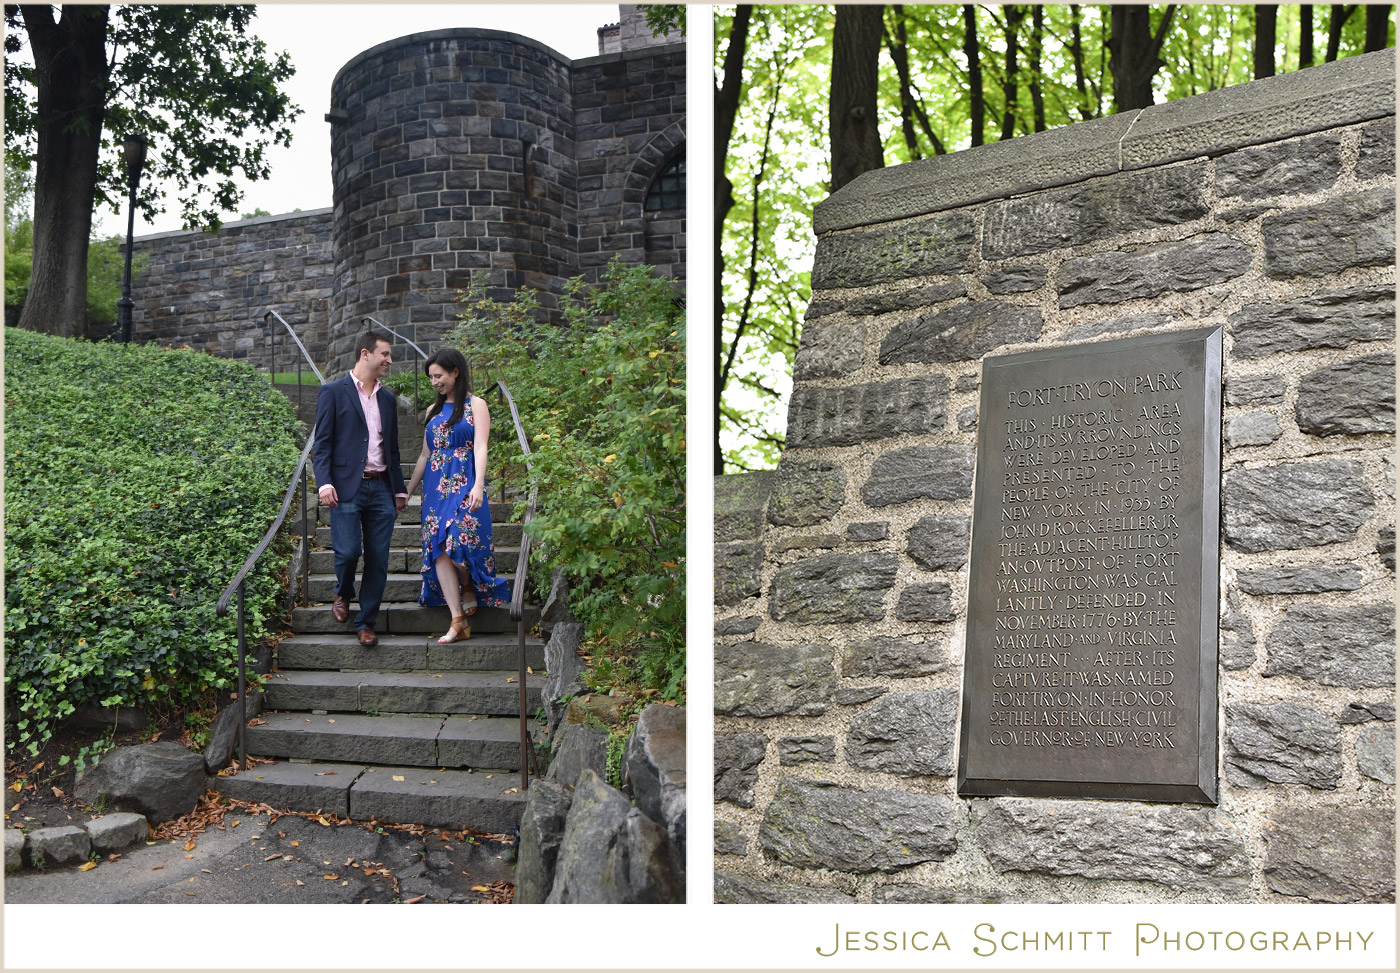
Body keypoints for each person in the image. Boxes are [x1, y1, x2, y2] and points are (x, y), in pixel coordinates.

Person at [404, 347, 511, 643]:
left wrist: (478, 485)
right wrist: (407, 492)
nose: (434, 382)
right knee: (438, 548)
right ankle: (457, 620)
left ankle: (467, 583)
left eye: (438, 375)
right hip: (436, 489)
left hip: (465, 480)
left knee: (459, 536)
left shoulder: (476, 404)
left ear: (455, 372)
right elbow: (426, 456)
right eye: (430, 377)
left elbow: (480, 446)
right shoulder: (432, 412)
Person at [311, 329, 408, 647]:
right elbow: (322, 444)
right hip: (346, 488)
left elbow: (392, 449)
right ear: (365, 354)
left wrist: (399, 489)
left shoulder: (388, 400)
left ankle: (366, 622)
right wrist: (324, 482)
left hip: (381, 489)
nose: (389, 361)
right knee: (349, 552)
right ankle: (343, 590)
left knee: (379, 560)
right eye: (385, 354)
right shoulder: (333, 392)